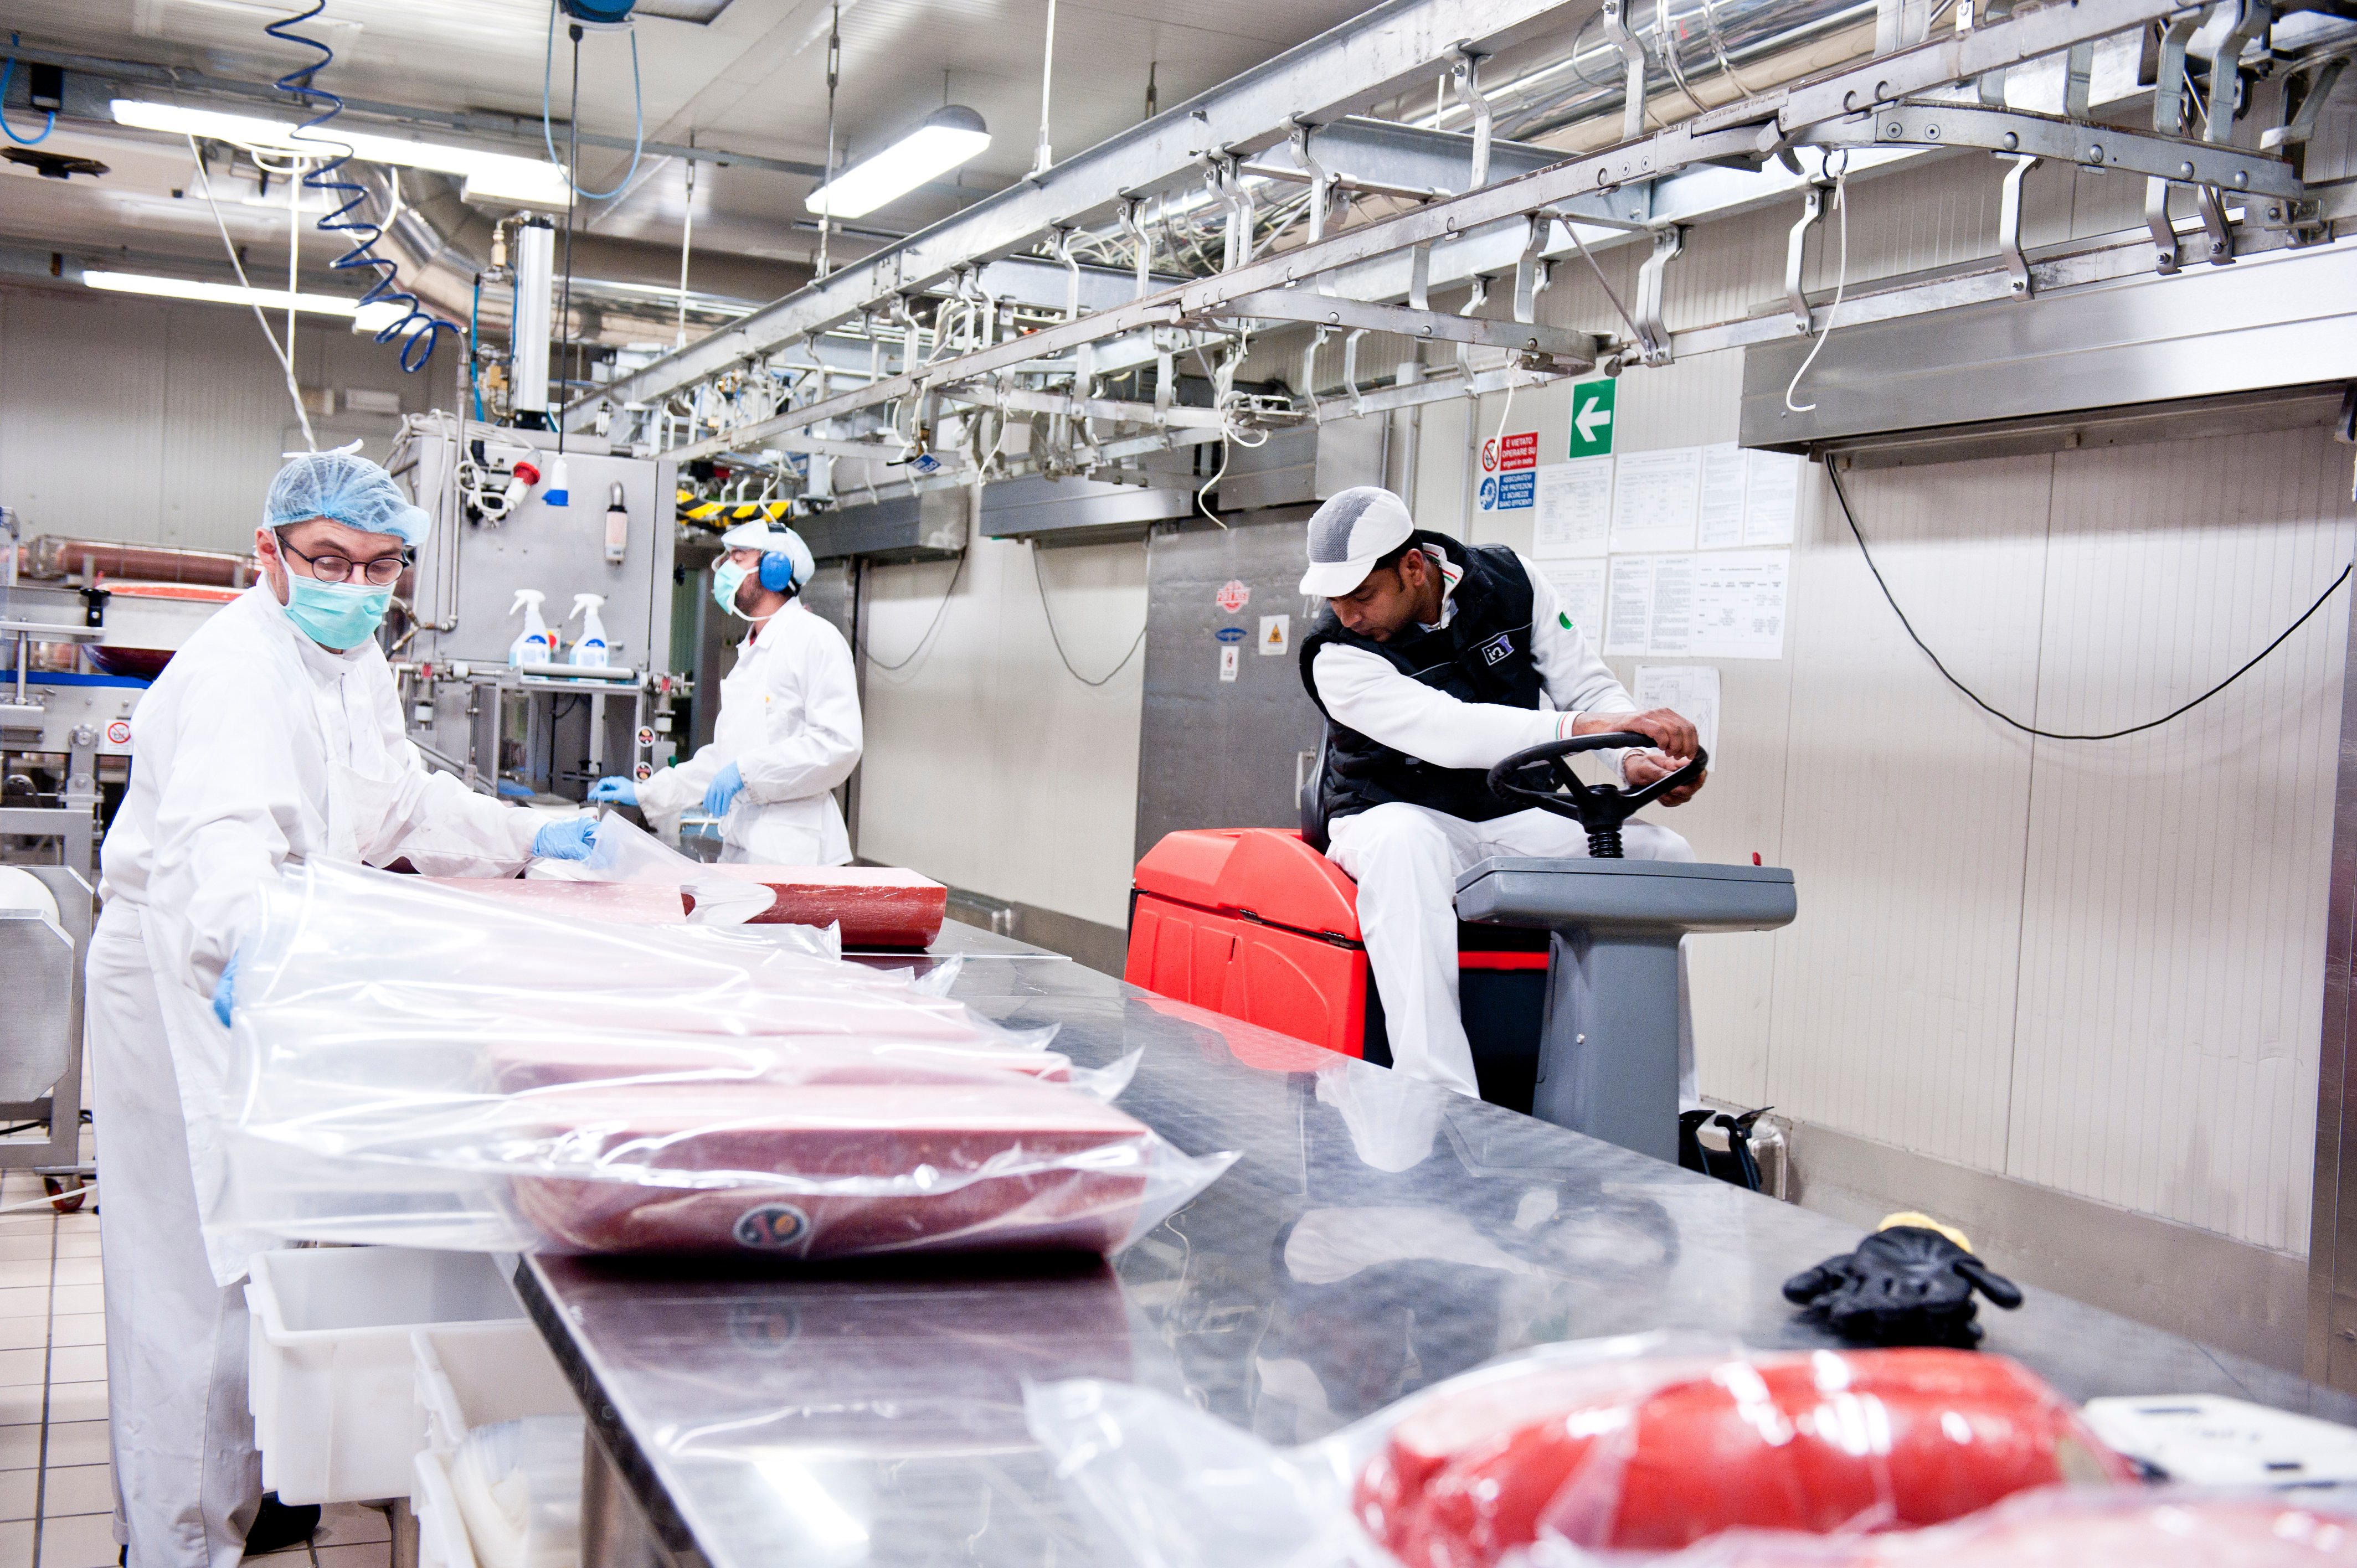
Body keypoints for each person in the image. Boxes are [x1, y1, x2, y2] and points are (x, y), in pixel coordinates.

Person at [86, 447, 596, 1568]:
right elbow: (220, 880)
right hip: (191, 983)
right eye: (329, 560)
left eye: (381, 567)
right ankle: (170, 1546)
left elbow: (397, 798)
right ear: (269, 553)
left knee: (257, 1271)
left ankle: (252, 1490)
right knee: (189, 1289)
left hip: (278, 977)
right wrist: (289, 973)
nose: (357, 586)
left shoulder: (349, 656)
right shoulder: (234, 673)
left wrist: (525, 838)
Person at [1296, 486, 1708, 1101]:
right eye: (1335, 598)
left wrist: (1636, 756)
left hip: (1505, 815)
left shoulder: (1511, 582)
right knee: (1404, 847)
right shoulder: (1335, 652)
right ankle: (1437, 1098)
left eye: (1362, 595)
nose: (1349, 613)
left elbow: (1586, 689)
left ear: (1414, 568)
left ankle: (1661, 1103)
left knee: (1660, 858)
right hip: (1391, 813)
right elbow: (1449, 731)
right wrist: (1578, 731)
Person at [590, 519, 861, 865]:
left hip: (797, 851)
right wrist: (647, 793)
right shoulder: (751, 648)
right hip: (745, 843)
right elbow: (723, 760)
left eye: (738, 557)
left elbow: (839, 746)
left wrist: (744, 771)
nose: (725, 570)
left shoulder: (814, 639)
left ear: (774, 570)